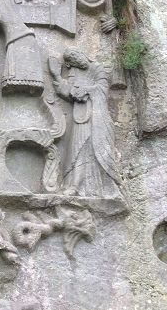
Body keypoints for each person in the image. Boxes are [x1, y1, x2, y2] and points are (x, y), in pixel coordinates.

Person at [49, 48, 122, 199]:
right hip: (81, 117)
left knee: (101, 149)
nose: (77, 59)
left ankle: (108, 189)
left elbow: (102, 89)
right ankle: (75, 186)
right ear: (69, 64)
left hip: (98, 116)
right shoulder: (74, 72)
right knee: (79, 149)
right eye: (72, 60)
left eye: (76, 55)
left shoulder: (97, 68)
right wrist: (56, 75)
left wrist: (86, 90)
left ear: (83, 54)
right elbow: (67, 92)